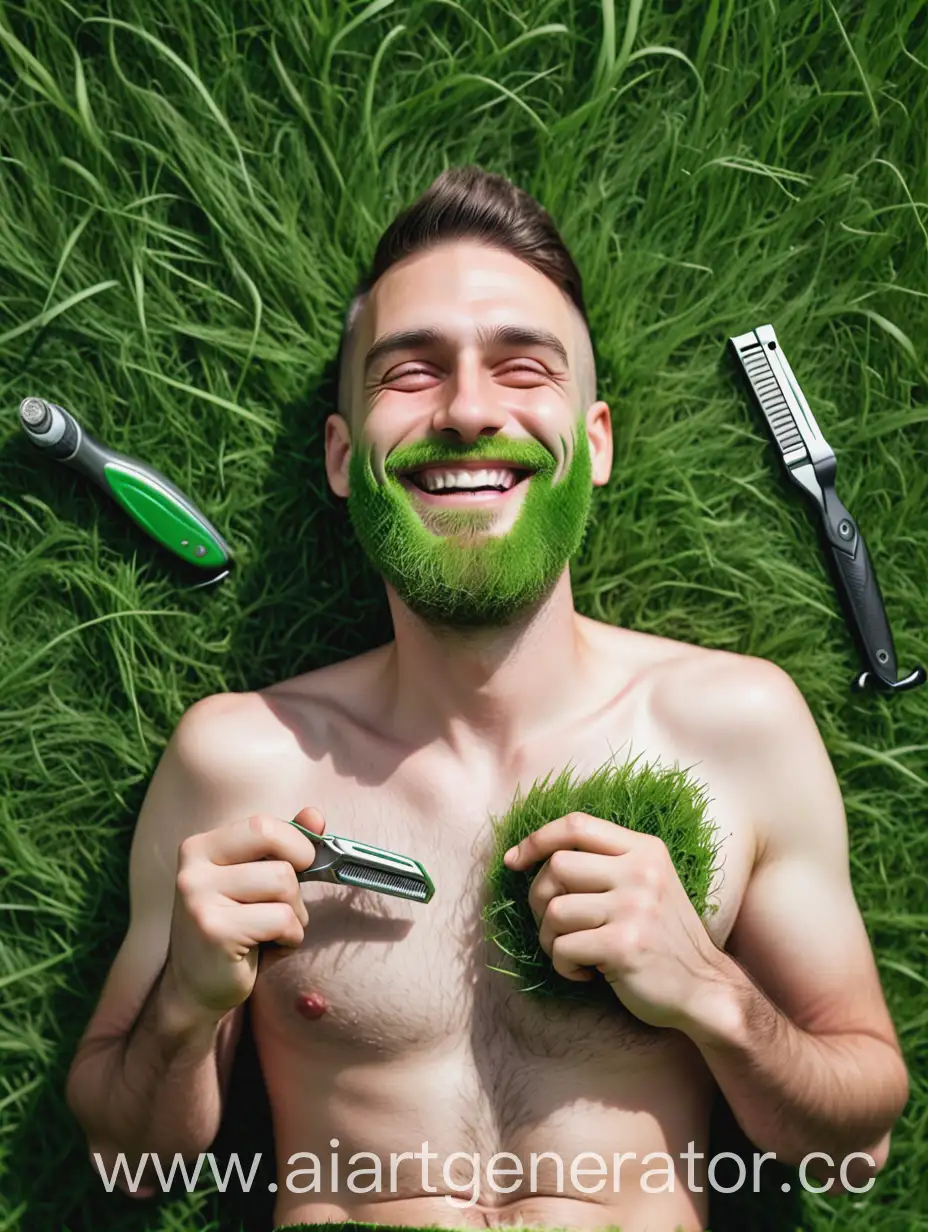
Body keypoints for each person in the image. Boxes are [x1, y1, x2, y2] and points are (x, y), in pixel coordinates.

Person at [65, 165, 908, 1232]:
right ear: (341, 454)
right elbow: (126, 1160)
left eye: (522, 366)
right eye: (410, 373)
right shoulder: (240, 761)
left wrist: (711, 992)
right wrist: (184, 1006)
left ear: (593, 442)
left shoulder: (736, 728)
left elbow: (854, 1149)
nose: (467, 408)